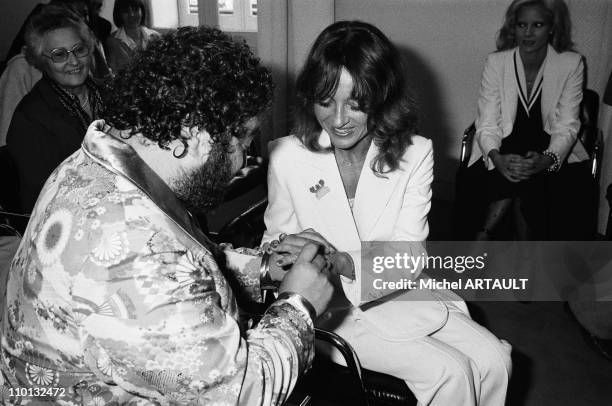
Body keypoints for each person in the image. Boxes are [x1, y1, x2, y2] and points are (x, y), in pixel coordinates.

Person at [0, 25, 334, 405]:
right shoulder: (127, 252)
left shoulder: (109, 160)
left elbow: (178, 259)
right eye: (243, 139)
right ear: (199, 135)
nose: (245, 157)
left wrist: (263, 269)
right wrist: (298, 306)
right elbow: (241, 393)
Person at [262, 20, 512, 406]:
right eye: (326, 101)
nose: (339, 118)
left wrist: (344, 261)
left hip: (400, 292)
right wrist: (286, 256)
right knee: (452, 374)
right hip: (330, 309)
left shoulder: (415, 153)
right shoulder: (287, 156)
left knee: (495, 361)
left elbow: (409, 254)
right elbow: (272, 246)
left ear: (382, 96)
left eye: (356, 103)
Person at [468, 0, 591, 240]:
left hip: (551, 147)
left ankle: (483, 235)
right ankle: (526, 255)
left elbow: (567, 124)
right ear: (512, 28)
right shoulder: (496, 62)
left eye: (537, 25)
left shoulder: (571, 63)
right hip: (502, 144)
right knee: (517, 173)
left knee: (533, 179)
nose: (527, 33)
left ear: (552, 27)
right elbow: (488, 121)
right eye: (521, 24)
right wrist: (496, 157)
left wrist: (547, 159)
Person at [6, 5, 104, 214]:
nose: (74, 61)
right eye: (59, 55)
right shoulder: (30, 118)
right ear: (43, 60)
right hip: (67, 220)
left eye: (79, 49)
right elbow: (45, 199)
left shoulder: (109, 95)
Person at [105, 0, 159, 73]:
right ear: (119, 14)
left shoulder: (156, 37)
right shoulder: (111, 42)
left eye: (135, 9)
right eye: (126, 11)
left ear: (142, 10)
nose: (132, 15)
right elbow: (112, 77)